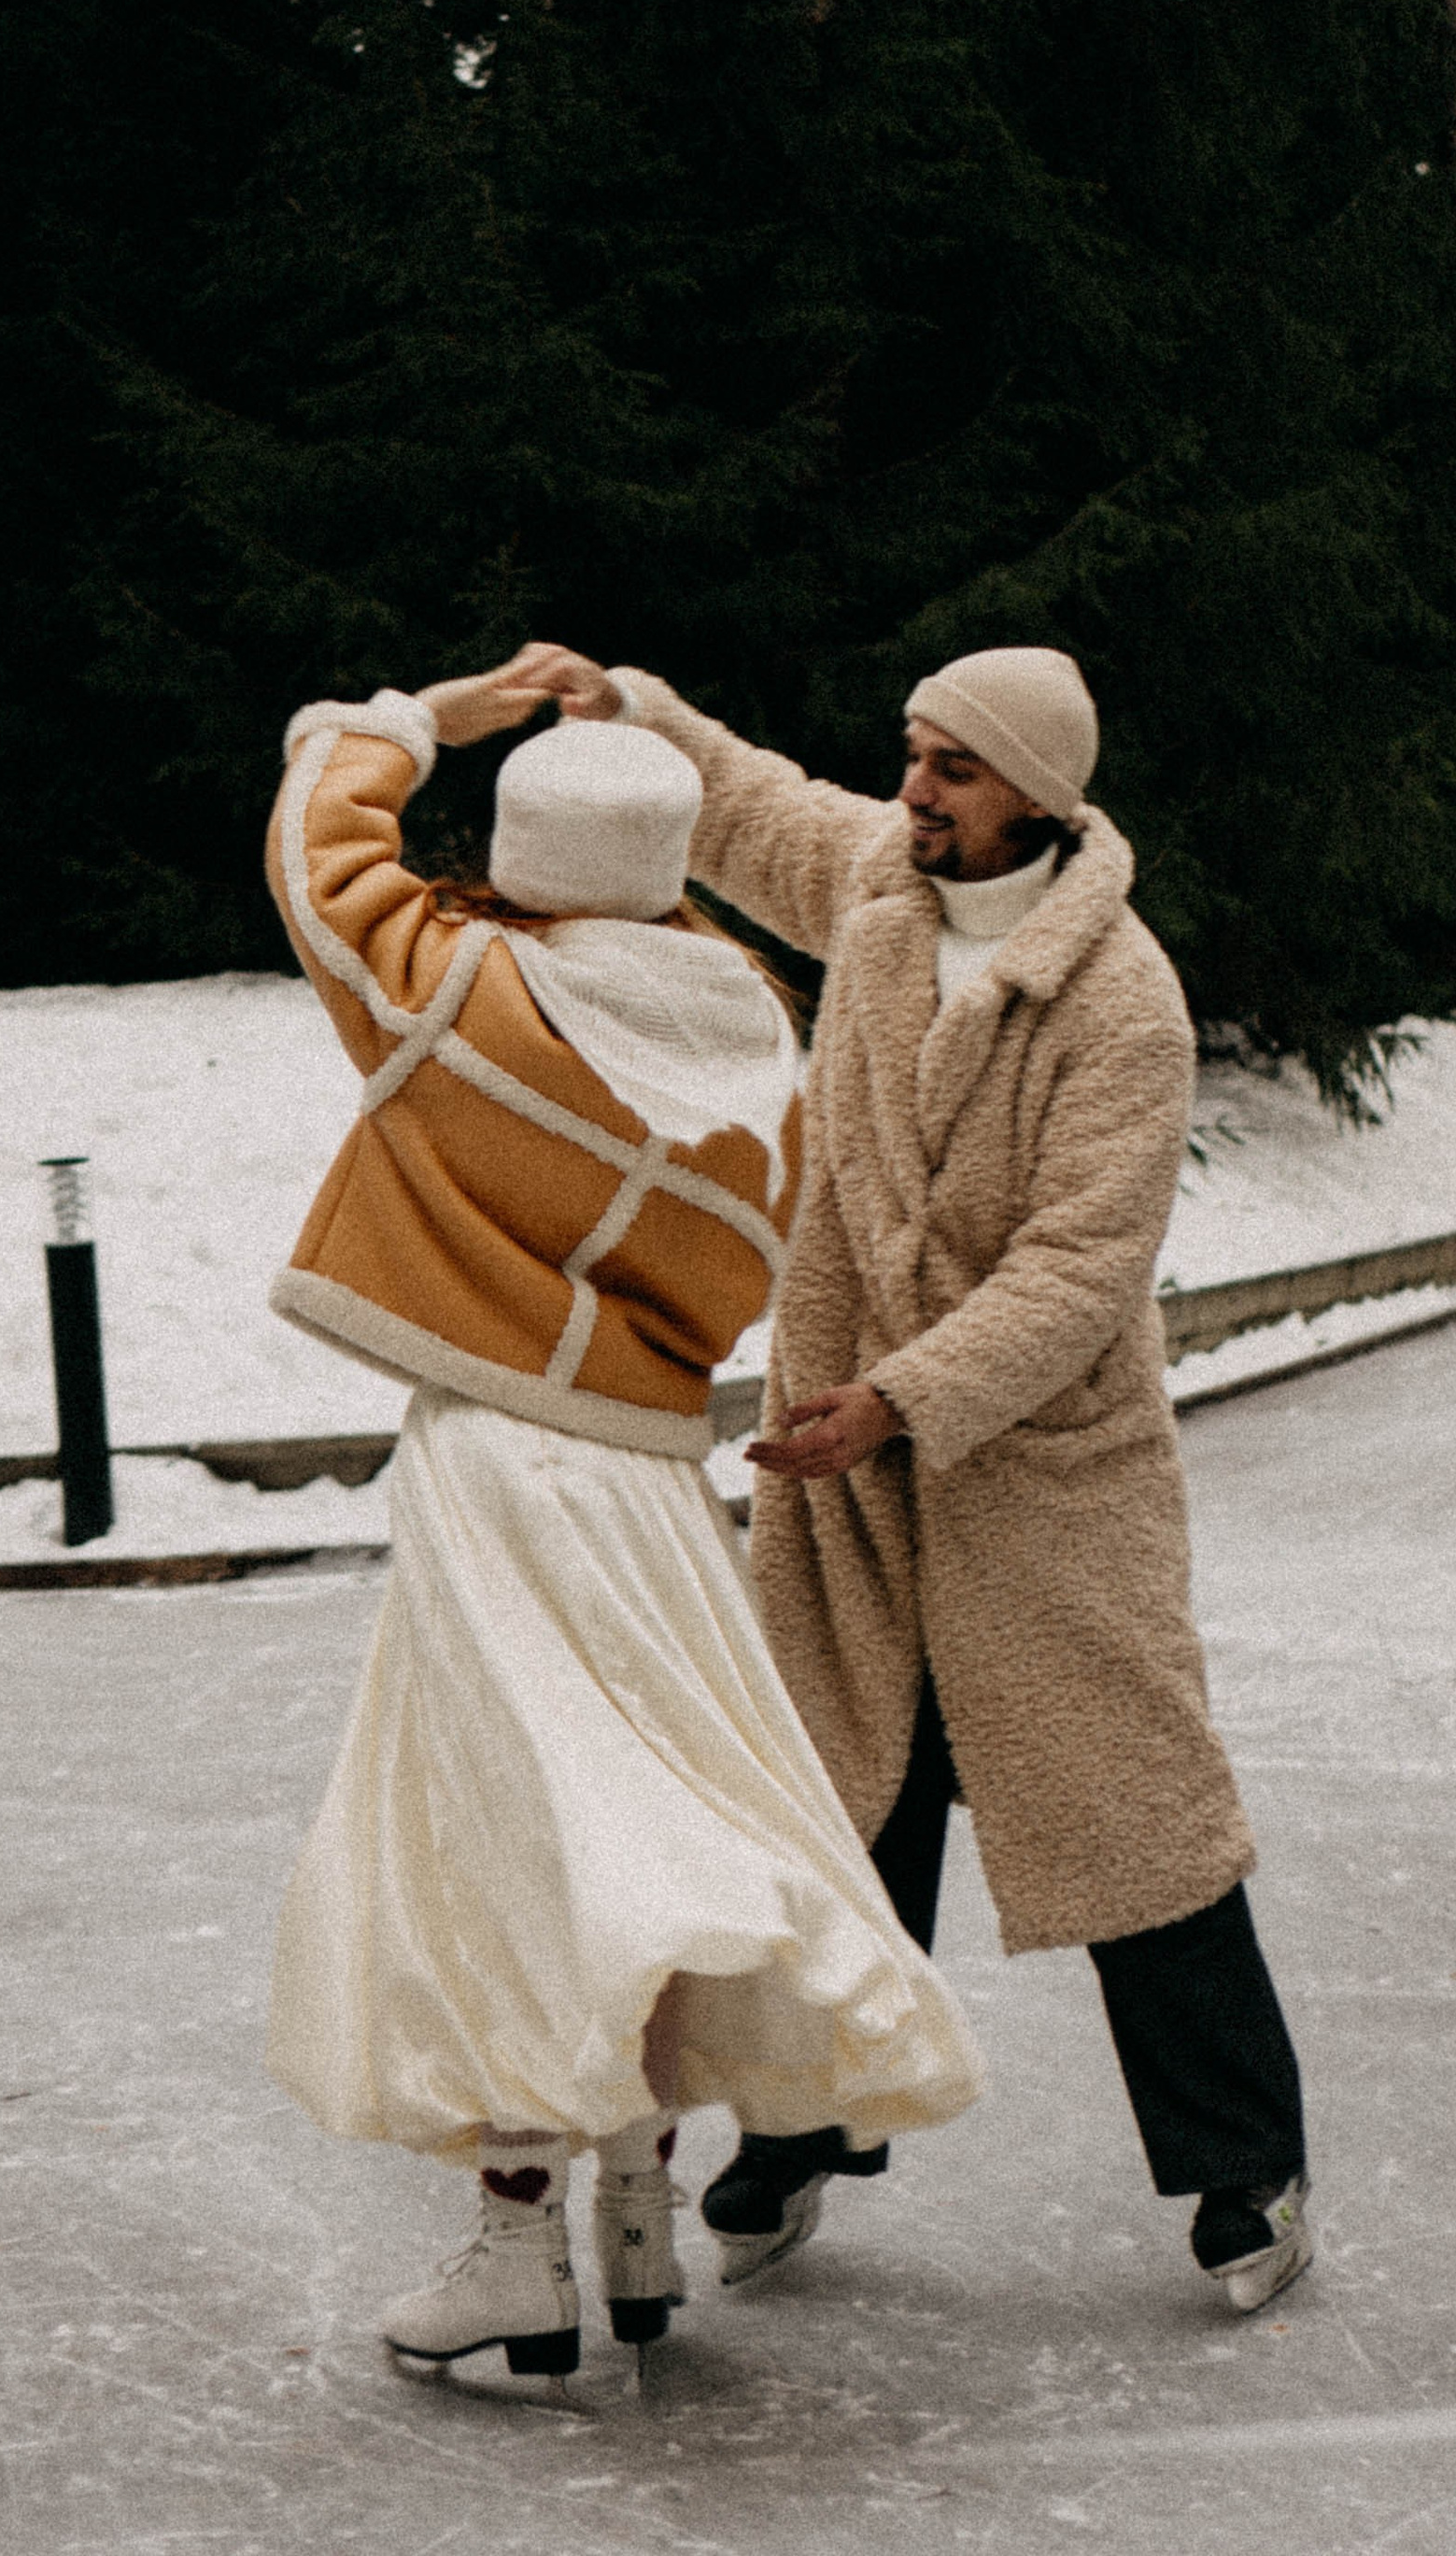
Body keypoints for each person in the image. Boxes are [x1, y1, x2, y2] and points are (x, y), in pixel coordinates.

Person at [510, 638, 1314, 2317]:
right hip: (853, 1477)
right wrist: (637, 712)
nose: (914, 791)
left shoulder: (1121, 1001)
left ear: (1036, 790)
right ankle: (804, 2139)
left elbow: (1079, 1269)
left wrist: (897, 1399)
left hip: (1040, 1485)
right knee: (834, 1815)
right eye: (914, 753)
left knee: (1133, 1831)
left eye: (951, 767)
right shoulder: (888, 885)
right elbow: (757, 812)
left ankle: (1250, 2165)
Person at [258, 663, 981, 2386]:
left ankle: (521, 2250)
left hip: (497, 1463)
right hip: (653, 1476)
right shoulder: (746, 1024)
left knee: (501, 1839)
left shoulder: (457, 988)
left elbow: (315, 836)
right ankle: (638, 2207)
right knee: (638, 1812)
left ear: (520, 852)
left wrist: (448, 705)